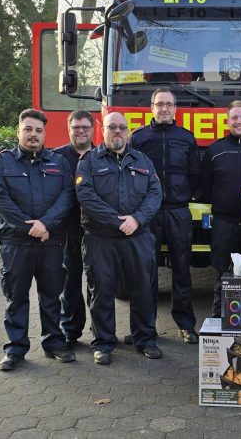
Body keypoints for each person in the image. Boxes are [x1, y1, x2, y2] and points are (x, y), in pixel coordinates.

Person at [0, 109, 76, 371]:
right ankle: (15, 349)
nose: (33, 135)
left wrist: (45, 223)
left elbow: (67, 197)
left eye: (38, 130)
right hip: (16, 242)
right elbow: (0, 199)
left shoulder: (58, 162)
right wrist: (31, 227)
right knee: (16, 297)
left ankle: (53, 343)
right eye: (28, 129)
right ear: (19, 131)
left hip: (50, 242)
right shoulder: (3, 163)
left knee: (51, 294)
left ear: (44, 134)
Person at [76, 112, 163, 364]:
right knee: (101, 290)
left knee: (143, 289)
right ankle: (103, 343)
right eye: (112, 127)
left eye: (122, 128)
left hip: (138, 235)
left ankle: (144, 339)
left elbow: (155, 193)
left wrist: (136, 219)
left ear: (128, 131)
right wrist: (118, 221)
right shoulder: (89, 161)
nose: (117, 132)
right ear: (103, 130)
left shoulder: (143, 160)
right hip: (100, 238)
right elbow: (86, 196)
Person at [131, 88, 202, 344]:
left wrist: (184, 195)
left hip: (177, 211)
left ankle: (185, 324)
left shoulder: (186, 138)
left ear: (175, 109)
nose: (164, 108)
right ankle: (145, 328)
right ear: (151, 107)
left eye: (169, 104)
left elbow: (195, 174)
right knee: (146, 271)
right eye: (159, 104)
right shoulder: (138, 138)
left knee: (182, 269)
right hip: (147, 214)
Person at [201, 100, 241, 318]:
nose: (239, 122)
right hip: (224, 223)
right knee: (223, 273)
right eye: (235, 118)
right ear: (227, 120)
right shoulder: (214, 150)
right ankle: (220, 321)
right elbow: (206, 185)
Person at [53, 110, 94, 348]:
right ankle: (70, 331)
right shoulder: (55, 157)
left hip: (95, 231)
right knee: (69, 282)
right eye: (76, 127)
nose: (80, 131)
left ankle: (100, 332)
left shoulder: (101, 155)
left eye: (85, 127)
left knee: (97, 284)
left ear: (92, 129)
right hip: (67, 230)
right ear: (69, 129)